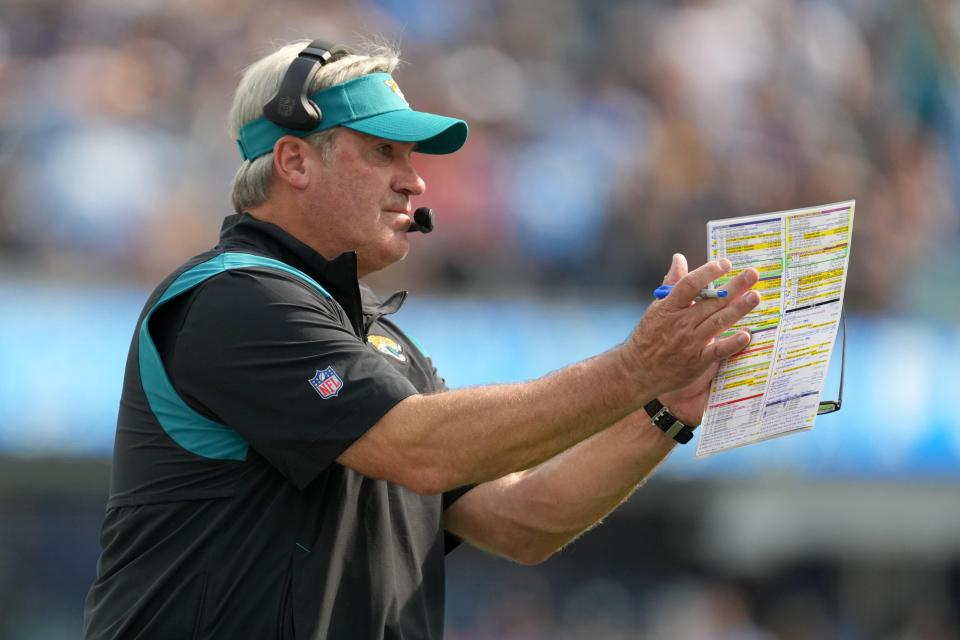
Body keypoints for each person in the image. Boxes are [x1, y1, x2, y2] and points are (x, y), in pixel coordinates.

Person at [82, 40, 760, 639]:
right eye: (384, 152)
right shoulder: (232, 299)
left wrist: (663, 408)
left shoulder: (381, 343)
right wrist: (638, 366)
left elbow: (522, 520)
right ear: (292, 160)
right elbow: (423, 449)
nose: (416, 180)